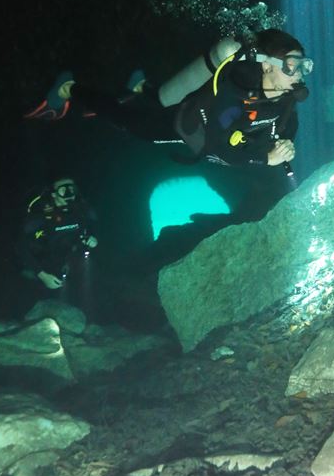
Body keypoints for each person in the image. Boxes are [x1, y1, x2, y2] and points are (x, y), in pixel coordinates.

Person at [26, 29, 312, 177]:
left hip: (194, 107)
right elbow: (215, 149)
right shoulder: (236, 94)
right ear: (266, 66)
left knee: (159, 101)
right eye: (291, 66)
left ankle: (142, 89)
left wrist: (286, 142)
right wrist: (265, 158)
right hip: (182, 125)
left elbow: (287, 123)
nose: (298, 74)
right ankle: (69, 88)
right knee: (129, 123)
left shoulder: (284, 96)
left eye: (303, 66)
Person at [18, 177, 98, 290]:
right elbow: (21, 246)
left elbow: (92, 224)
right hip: (39, 259)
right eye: (63, 190)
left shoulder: (81, 210)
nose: (69, 194)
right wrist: (42, 275)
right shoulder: (42, 216)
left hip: (65, 257)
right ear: (54, 195)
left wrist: (93, 238)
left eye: (71, 189)